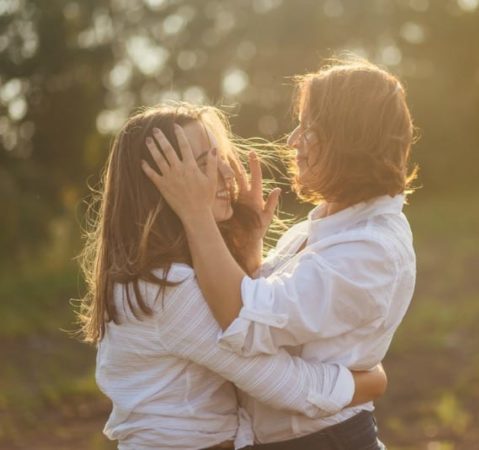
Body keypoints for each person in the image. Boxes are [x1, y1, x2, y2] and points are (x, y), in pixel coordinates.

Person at [78, 103, 388, 450]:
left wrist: (248, 253)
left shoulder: (162, 274)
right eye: (203, 164)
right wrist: (368, 383)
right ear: (160, 185)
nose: (226, 174)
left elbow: (245, 327)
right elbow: (279, 383)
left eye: (222, 157)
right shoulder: (168, 288)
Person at [143, 57, 417, 449]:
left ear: (347, 139)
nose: (292, 142)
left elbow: (244, 320)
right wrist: (250, 246)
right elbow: (273, 317)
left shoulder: (372, 249)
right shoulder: (317, 226)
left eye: (308, 129)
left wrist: (195, 213)